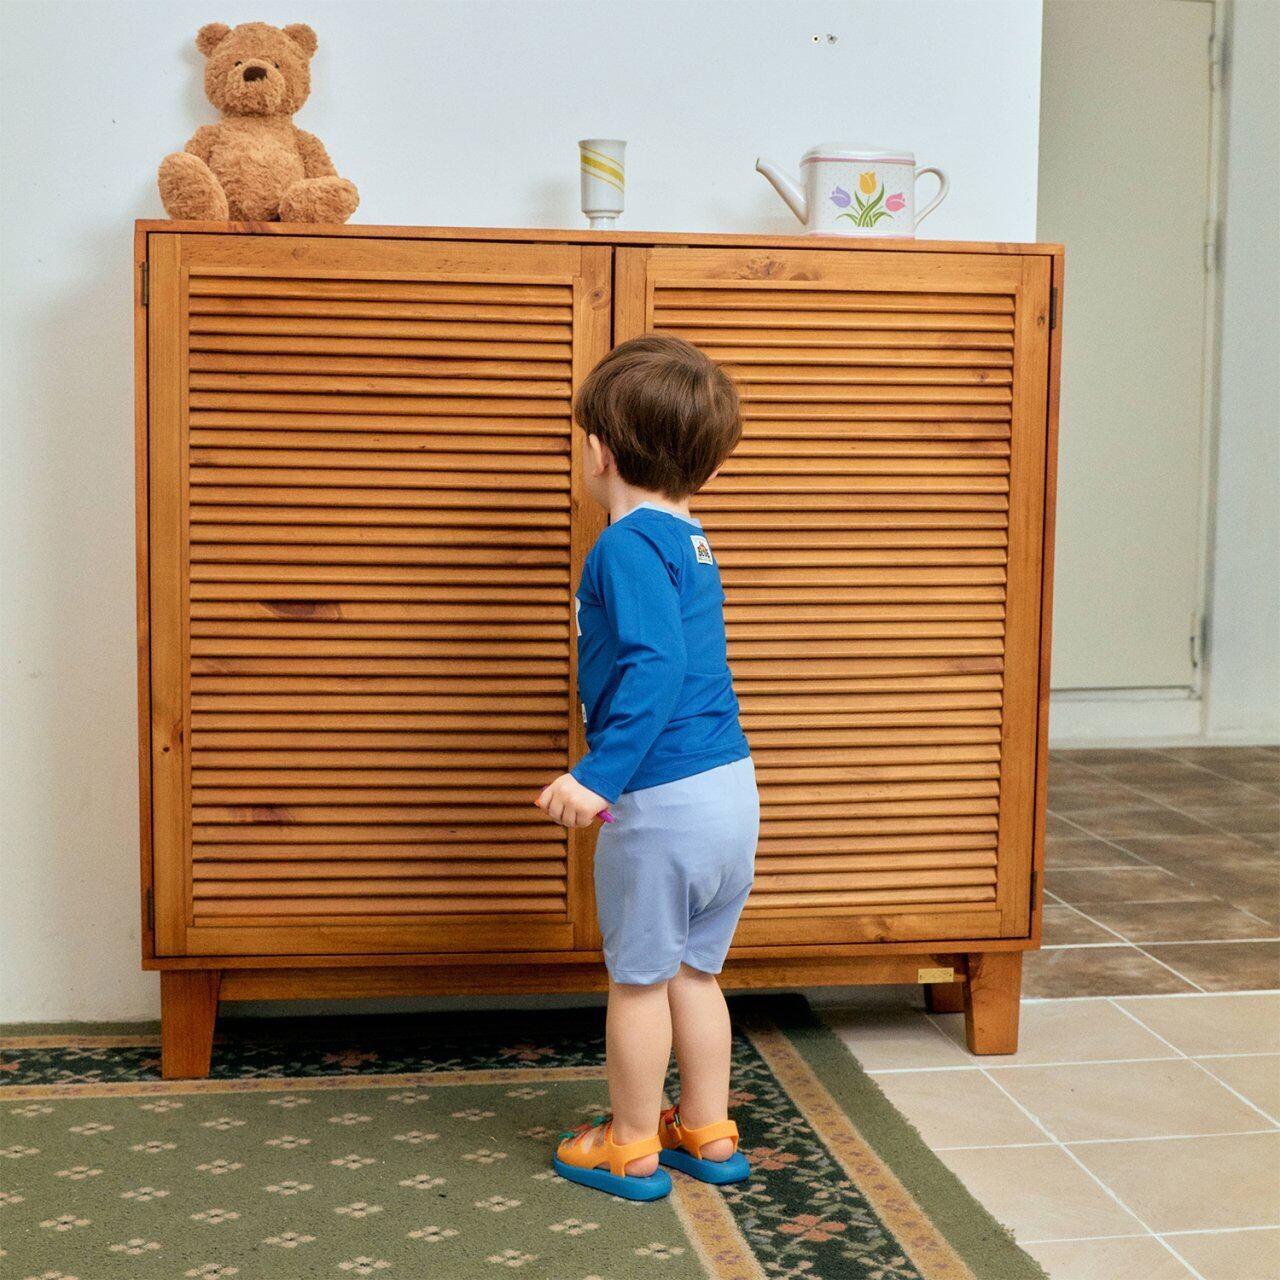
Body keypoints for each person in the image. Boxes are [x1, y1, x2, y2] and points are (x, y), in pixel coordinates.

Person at [536, 334, 758, 1201]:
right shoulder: (691, 539)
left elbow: (655, 668)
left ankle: (629, 1145)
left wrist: (598, 775)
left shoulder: (625, 546)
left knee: (637, 982)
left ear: (598, 452)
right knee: (696, 972)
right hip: (729, 791)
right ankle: (706, 1128)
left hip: (662, 802)